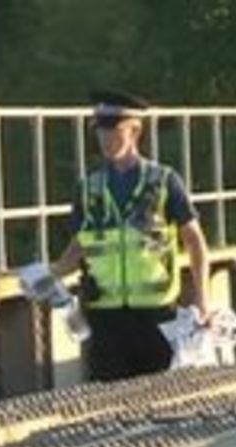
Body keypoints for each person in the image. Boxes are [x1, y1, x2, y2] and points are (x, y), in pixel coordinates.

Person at [52, 90, 211, 382]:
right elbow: (80, 247)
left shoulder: (163, 181)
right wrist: (50, 276)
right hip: (104, 316)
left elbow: (194, 240)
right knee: (109, 403)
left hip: (156, 313)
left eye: (114, 130)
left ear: (135, 130)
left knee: (160, 398)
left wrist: (203, 301)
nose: (105, 139)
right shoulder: (90, 188)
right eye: (100, 131)